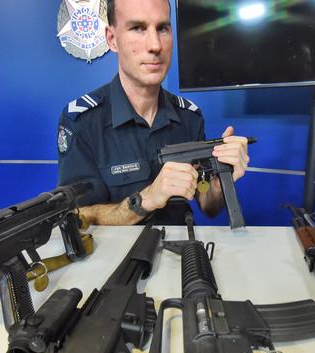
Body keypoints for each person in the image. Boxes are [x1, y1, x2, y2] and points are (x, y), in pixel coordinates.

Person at [57, 0, 250, 225]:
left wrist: (220, 181)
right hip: (116, 257)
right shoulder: (82, 121)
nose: (155, 45)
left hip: (183, 255)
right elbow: (78, 218)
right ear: (112, 39)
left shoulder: (190, 116)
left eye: (162, 28)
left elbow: (209, 206)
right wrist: (147, 198)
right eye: (138, 28)